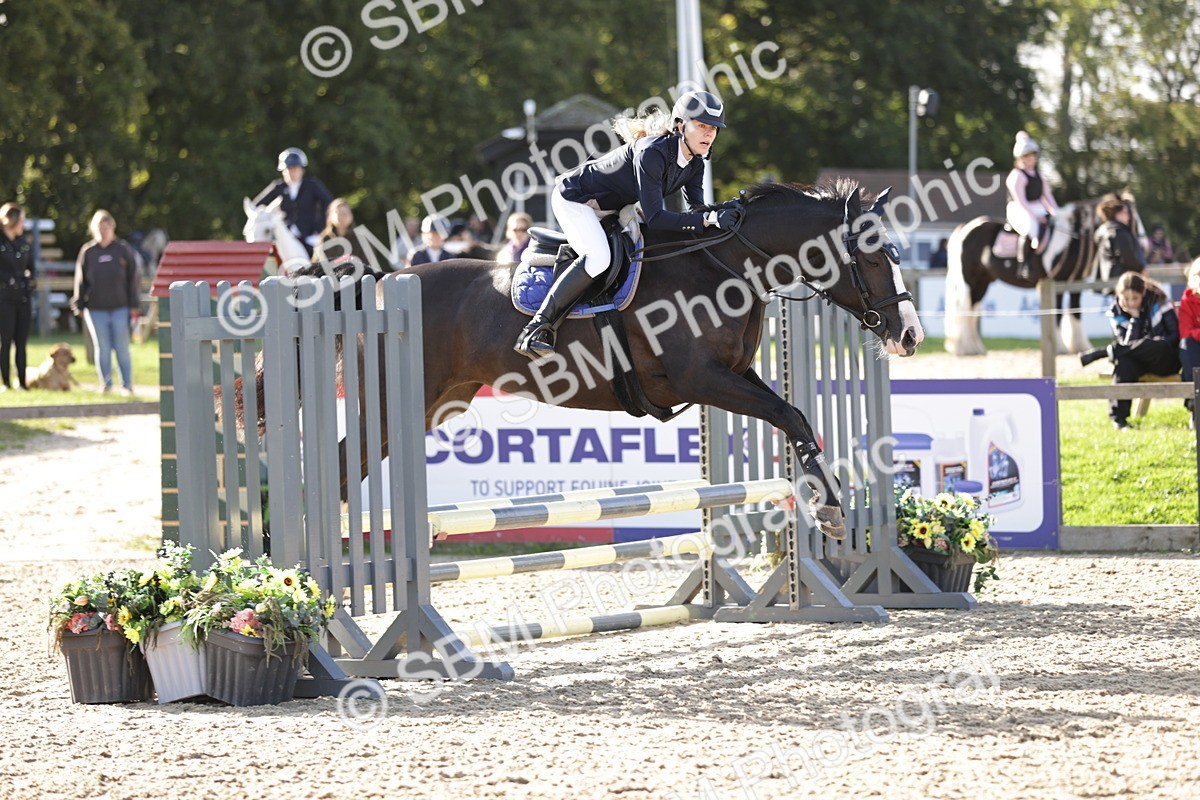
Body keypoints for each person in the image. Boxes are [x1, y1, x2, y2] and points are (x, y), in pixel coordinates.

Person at [514, 90, 739, 359]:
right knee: (598, 258)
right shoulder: (652, 153)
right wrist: (708, 218)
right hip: (576, 200)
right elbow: (657, 218)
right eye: (701, 125)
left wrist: (723, 212)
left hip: (613, 208)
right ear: (680, 126)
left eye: (713, 129)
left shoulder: (695, 164)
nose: (709, 134)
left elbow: (697, 211)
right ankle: (537, 327)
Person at [1098, 272, 1180, 429]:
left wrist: (1151, 345)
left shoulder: (1160, 301)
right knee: (1124, 360)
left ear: (1143, 293)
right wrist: (1134, 320)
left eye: (1134, 299)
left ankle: (1105, 352)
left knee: (1158, 345)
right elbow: (1126, 344)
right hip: (1138, 362)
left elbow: (1174, 335)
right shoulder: (1117, 313)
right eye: (1125, 299)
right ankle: (1119, 420)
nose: (1130, 304)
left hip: (1164, 358)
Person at [71, 210, 140, 394]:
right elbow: (80, 279)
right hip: (96, 309)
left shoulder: (122, 249)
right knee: (102, 348)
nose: (104, 230)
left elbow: (133, 278)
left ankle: (127, 384)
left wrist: (134, 305)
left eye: (107, 226)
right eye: (100, 227)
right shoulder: (88, 251)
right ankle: (106, 384)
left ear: (113, 227)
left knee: (122, 347)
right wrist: (78, 303)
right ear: (94, 229)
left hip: (120, 307)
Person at [253, 148, 334, 254]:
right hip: (285, 234)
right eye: (289, 169)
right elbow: (258, 205)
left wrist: (320, 227)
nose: (292, 172)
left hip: (309, 234)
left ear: (302, 169)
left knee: (321, 257)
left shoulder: (312, 185)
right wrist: (272, 215)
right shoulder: (278, 187)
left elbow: (329, 203)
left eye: (295, 168)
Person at [1005, 131, 1060, 280]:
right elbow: (1021, 201)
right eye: (1027, 156)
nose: (1031, 159)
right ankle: (1024, 265)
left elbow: (1048, 197)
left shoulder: (1040, 176)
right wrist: (1036, 217)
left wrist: (1057, 213)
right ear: (1021, 158)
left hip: (1036, 207)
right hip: (1018, 209)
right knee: (1031, 228)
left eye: (1033, 155)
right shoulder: (1017, 176)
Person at [0, 203, 35, 391]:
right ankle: (5, 382)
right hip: (4, 298)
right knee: (5, 341)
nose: (23, 224)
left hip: (23, 297)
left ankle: (22, 382)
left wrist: (31, 280)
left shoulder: (24, 243)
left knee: (21, 342)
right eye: (21, 220)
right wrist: (9, 279)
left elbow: (31, 266)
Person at [1093, 200, 1146, 286]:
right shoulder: (1119, 232)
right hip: (1123, 282)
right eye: (1125, 212)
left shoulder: (1104, 231)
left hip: (1108, 280)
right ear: (1118, 214)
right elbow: (1127, 256)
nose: (1128, 216)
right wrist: (1140, 269)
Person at [312, 198, 373, 271]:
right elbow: (316, 266)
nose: (342, 217)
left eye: (345, 213)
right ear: (330, 216)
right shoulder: (324, 239)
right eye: (338, 213)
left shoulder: (361, 238)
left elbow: (369, 266)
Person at [1178, 258, 1200, 411]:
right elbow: (1185, 331)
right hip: (1196, 348)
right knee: (1187, 345)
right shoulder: (1187, 300)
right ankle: (1194, 401)